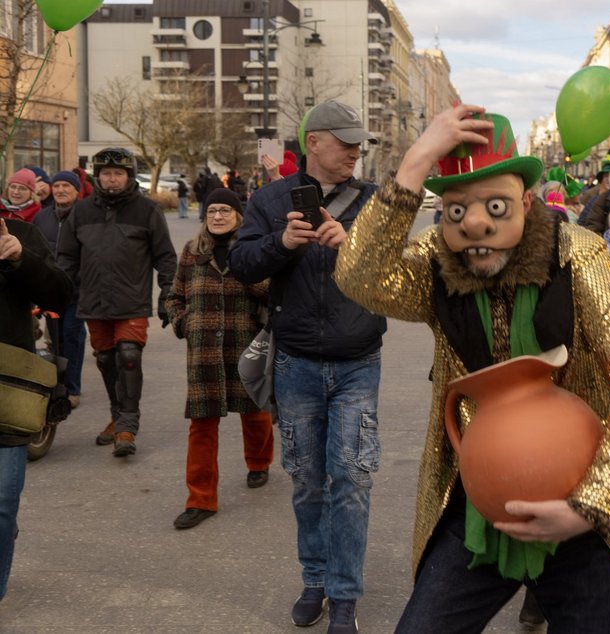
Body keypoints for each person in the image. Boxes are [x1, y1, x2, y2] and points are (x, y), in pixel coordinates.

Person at [335, 105, 610, 632]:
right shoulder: (436, 263)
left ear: (526, 202)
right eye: (456, 210)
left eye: (495, 206)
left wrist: (593, 502)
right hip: (478, 502)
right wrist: (415, 163)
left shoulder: (576, 255)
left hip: (581, 499)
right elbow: (360, 277)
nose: (476, 225)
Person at [229, 100, 382, 632]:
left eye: (359, 144)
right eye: (346, 142)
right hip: (295, 363)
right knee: (307, 481)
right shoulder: (269, 199)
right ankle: (314, 579)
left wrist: (353, 247)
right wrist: (282, 243)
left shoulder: (372, 201)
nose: (355, 152)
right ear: (313, 141)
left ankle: (344, 594)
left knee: (352, 479)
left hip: (358, 360)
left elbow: (398, 271)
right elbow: (240, 264)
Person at [57, 147, 178, 457]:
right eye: (106, 174)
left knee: (128, 356)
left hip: (131, 300)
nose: (112, 179)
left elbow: (165, 256)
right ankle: (116, 414)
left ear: (128, 176)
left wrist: (168, 293)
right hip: (94, 300)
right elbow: (66, 258)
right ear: (98, 177)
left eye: (118, 174)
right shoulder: (81, 212)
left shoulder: (147, 211)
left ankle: (127, 425)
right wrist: (57, 293)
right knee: (105, 360)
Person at [165, 188, 273, 530]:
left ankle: (259, 462)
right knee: (202, 424)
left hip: (245, 344)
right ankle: (200, 499)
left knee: (255, 412)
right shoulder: (192, 251)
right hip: (204, 351)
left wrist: (248, 270)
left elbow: (271, 292)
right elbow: (175, 297)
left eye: (225, 210)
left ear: (238, 216)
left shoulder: (252, 250)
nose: (217, 216)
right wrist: (184, 323)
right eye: (212, 211)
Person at [0, 216, 72, 600]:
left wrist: (21, 258)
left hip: (8, 388)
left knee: (2, 505)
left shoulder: (20, 234)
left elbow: (61, 295)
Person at [33, 171, 87, 409]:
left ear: (77, 190)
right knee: (56, 340)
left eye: (66, 185)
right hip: (50, 290)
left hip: (77, 290)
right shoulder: (42, 217)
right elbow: (35, 249)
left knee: (72, 337)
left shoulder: (86, 216)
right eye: (57, 186)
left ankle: (72, 389)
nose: (60, 190)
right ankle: (57, 385)